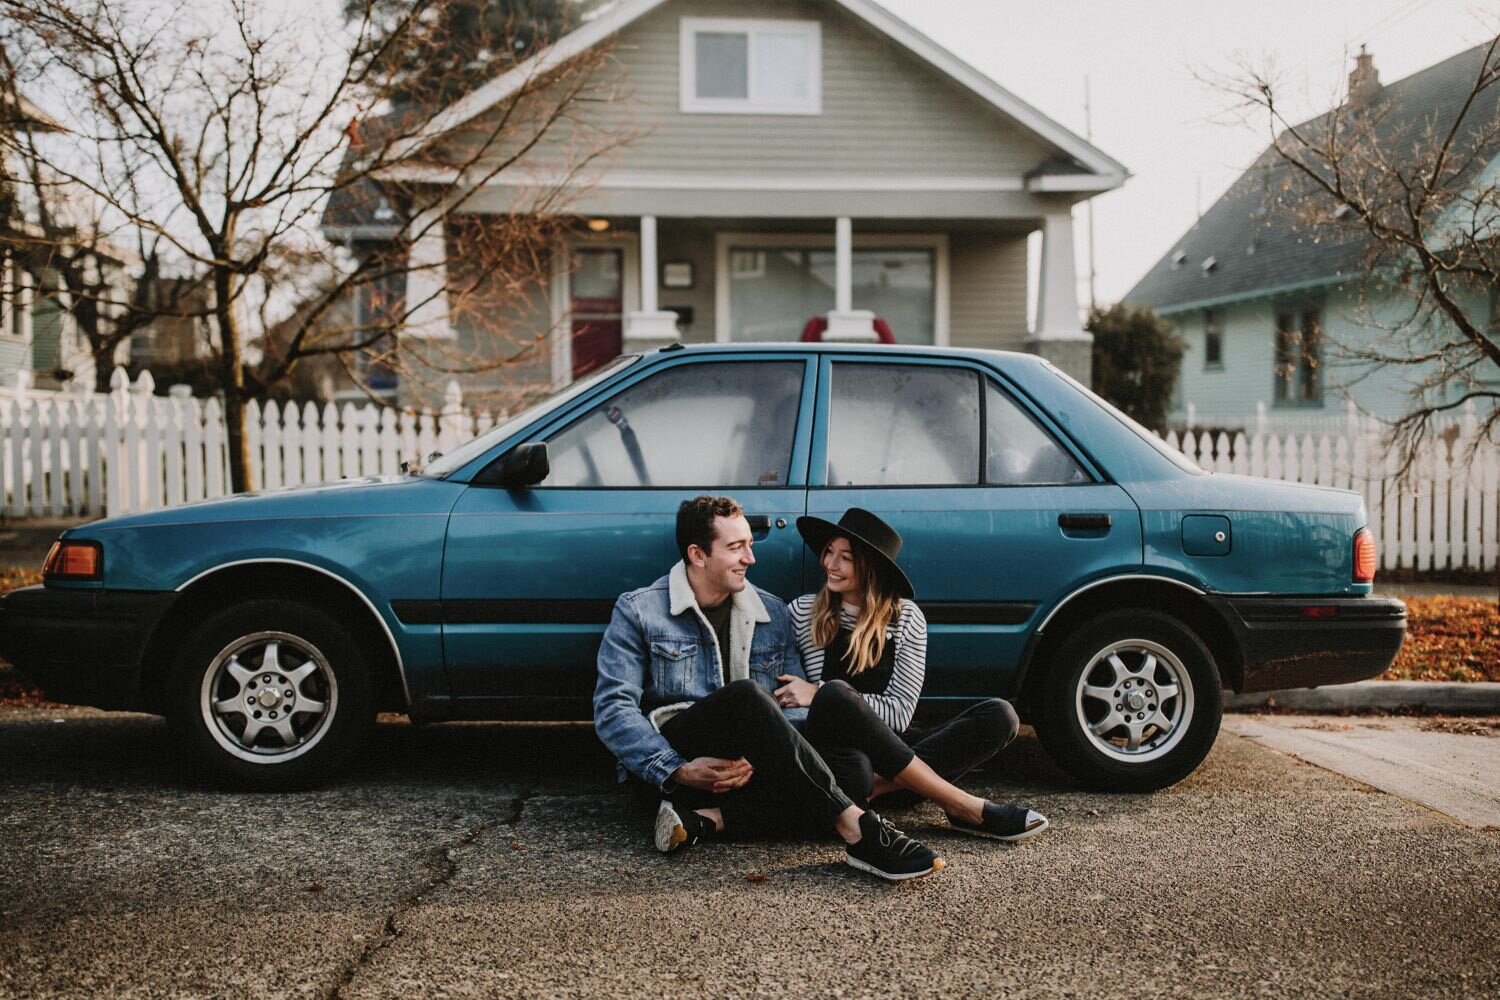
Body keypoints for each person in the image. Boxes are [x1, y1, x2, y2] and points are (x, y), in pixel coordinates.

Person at [592, 495, 945, 881]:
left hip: (748, 773)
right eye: (736, 547)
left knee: (856, 773)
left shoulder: (772, 612)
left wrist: (762, 755)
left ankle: (702, 823)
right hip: (679, 766)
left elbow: (792, 708)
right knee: (746, 695)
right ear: (697, 554)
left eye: (749, 545)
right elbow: (614, 709)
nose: (751, 558)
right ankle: (856, 829)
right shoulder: (640, 611)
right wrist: (676, 770)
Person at [774, 507, 1049, 842]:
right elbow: (792, 703)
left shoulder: (906, 619)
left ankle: (878, 789)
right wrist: (821, 697)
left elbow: (900, 714)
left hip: (895, 751)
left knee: (1001, 716)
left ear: (869, 566)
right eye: (829, 552)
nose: (830, 564)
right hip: (837, 756)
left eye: (845, 557)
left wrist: (817, 693)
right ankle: (957, 803)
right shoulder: (803, 612)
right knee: (851, 752)